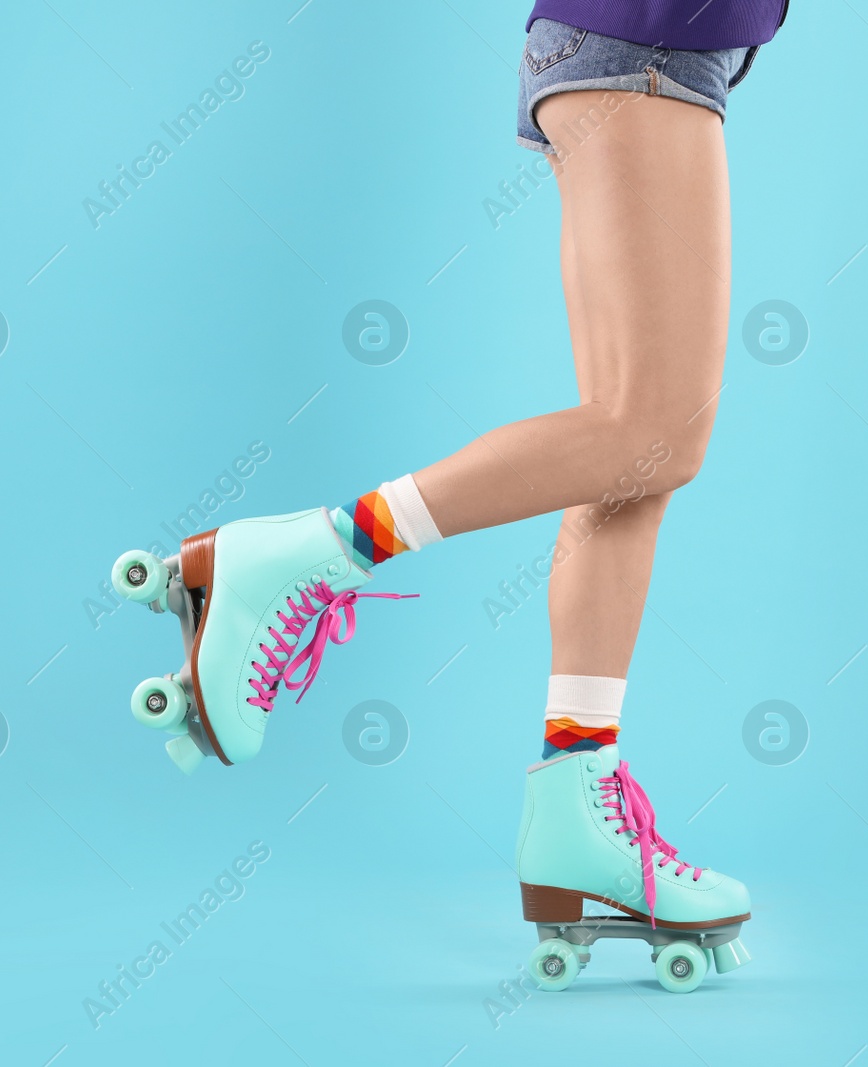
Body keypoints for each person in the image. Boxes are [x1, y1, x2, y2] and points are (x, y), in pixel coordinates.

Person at [111, 0, 786, 991]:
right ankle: (302, 554)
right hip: (643, 44)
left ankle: (573, 803)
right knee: (650, 434)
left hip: (646, 49)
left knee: (624, 455)